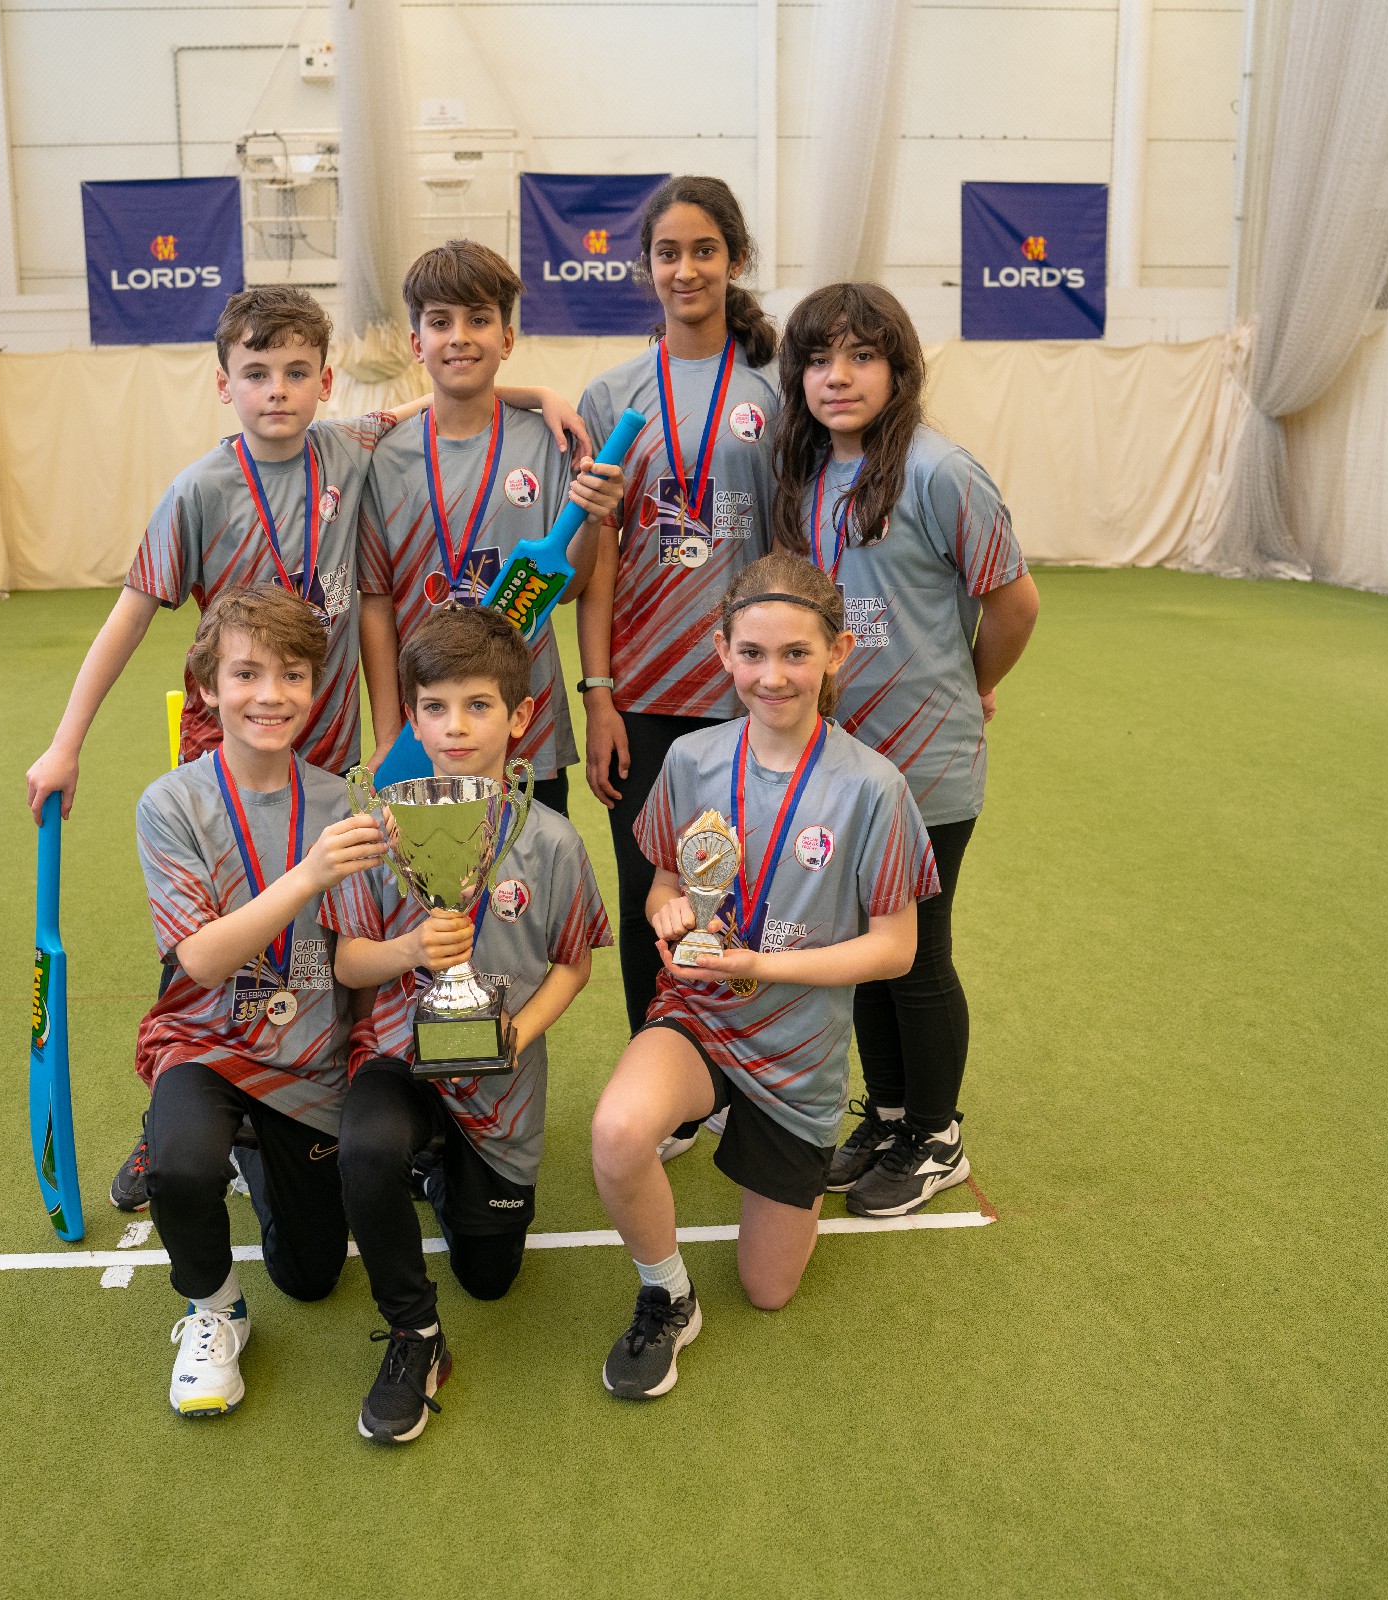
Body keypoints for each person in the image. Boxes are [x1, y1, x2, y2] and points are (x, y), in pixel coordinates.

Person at [18, 284, 580, 1211]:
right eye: (254, 374)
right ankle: (177, 1114)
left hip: (327, 766)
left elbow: (437, 393)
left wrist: (540, 396)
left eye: (294, 373)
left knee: (331, 936)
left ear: (325, 381)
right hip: (231, 766)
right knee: (214, 944)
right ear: (223, 384)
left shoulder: (346, 448)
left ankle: (339, 1110)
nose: (275, 391)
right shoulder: (200, 490)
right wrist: (64, 743)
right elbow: (128, 619)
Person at [587, 553, 938, 1399]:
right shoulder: (692, 760)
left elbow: (896, 949)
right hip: (699, 1016)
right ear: (722, 651)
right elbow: (664, 887)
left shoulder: (875, 788)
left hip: (798, 1054)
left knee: (768, 1290)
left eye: (795, 654)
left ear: (837, 653)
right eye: (751, 653)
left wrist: (760, 965)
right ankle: (667, 1295)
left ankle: (768, 1149)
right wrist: (668, 912)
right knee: (619, 1132)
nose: (771, 676)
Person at [770, 283, 1039, 1218]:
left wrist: (971, 681)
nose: (837, 377)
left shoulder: (940, 472)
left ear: (900, 369)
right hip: (837, 767)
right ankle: (889, 1118)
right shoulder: (806, 473)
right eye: (818, 360)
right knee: (862, 950)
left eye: (862, 356)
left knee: (916, 955)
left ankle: (937, 1136)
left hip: (924, 767)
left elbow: (1015, 605)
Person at [323, 606, 611, 1444]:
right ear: (411, 719)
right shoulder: (375, 833)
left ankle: (448, 1167)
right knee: (365, 1145)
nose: (455, 727)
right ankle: (415, 1333)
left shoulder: (551, 841)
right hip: (401, 1056)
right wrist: (408, 948)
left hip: (501, 1083)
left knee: (490, 1277)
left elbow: (574, 964)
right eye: (435, 707)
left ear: (520, 718)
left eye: (478, 706)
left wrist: (515, 1034)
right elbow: (348, 965)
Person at [129, 586, 388, 1419]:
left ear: (316, 687)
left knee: (312, 1278)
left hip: (308, 1057)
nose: (270, 695)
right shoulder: (170, 803)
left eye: (292, 675)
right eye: (246, 674)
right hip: (204, 1040)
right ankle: (213, 1309)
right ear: (207, 687)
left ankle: (258, 1156)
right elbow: (202, 960)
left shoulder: (345, 802)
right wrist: (308, 874)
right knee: (177, 1165)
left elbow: (356, 959)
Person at [574, 179, 783, 1089]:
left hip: (754, 692)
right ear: (647, 266)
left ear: (736, 258)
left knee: (748, 892)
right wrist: (599, 696)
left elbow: (796, 541)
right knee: (648, 895)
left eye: (704, 250)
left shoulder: (779, 388)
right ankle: (661, 1078)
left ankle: (740, 1077)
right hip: (644, 696)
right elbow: (596, 561)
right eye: (668, 253)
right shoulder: (612, 393)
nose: (686, 269)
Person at [358, 239, 626, 817]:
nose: (459, 337)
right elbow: (376, 604)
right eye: (440, 322)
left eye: (478, 320)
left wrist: (591, 521)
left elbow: (570, 587)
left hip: (527, 731)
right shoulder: (384, 458)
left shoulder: (550, 444)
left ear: (506, 339)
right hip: (424, 733)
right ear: (416, 344)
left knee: (530, 870)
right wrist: (388, 736)